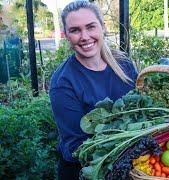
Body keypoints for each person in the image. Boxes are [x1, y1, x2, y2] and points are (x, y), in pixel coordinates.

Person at [49, 1, 138, 179]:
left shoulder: (123, 64)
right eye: (75, 30)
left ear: (102, 27)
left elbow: (140, 110)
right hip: (87, 171)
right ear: (67, 35)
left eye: (91, 27)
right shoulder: (63, 82)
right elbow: (78, 148)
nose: (84, 36)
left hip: (132, 166)